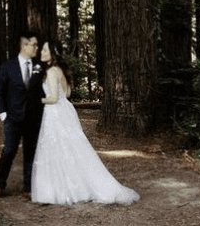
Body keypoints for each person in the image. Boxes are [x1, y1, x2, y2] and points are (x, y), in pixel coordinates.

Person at [31, 41, 139, 205]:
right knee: (73, 149)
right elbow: (66, 94)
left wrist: (37, 100)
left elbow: (52, 98)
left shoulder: (52, 71)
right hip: (65, 111)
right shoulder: (61, 70)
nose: (41, 52)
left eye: (45, 50)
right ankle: (76, 185)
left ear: (53, 53)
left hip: (54, 113)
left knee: (57, 148)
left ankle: (61, 190)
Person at [0, 32, 44, 199]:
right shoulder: (7, 67)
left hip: (33, 119)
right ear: (23, 46)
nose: (36, 48)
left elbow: (42, 91)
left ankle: (28, 188)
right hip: (12, 118)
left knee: (31, 152)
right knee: (9, 151)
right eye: (33, 45)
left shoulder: (40, 67)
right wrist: (3, 114)